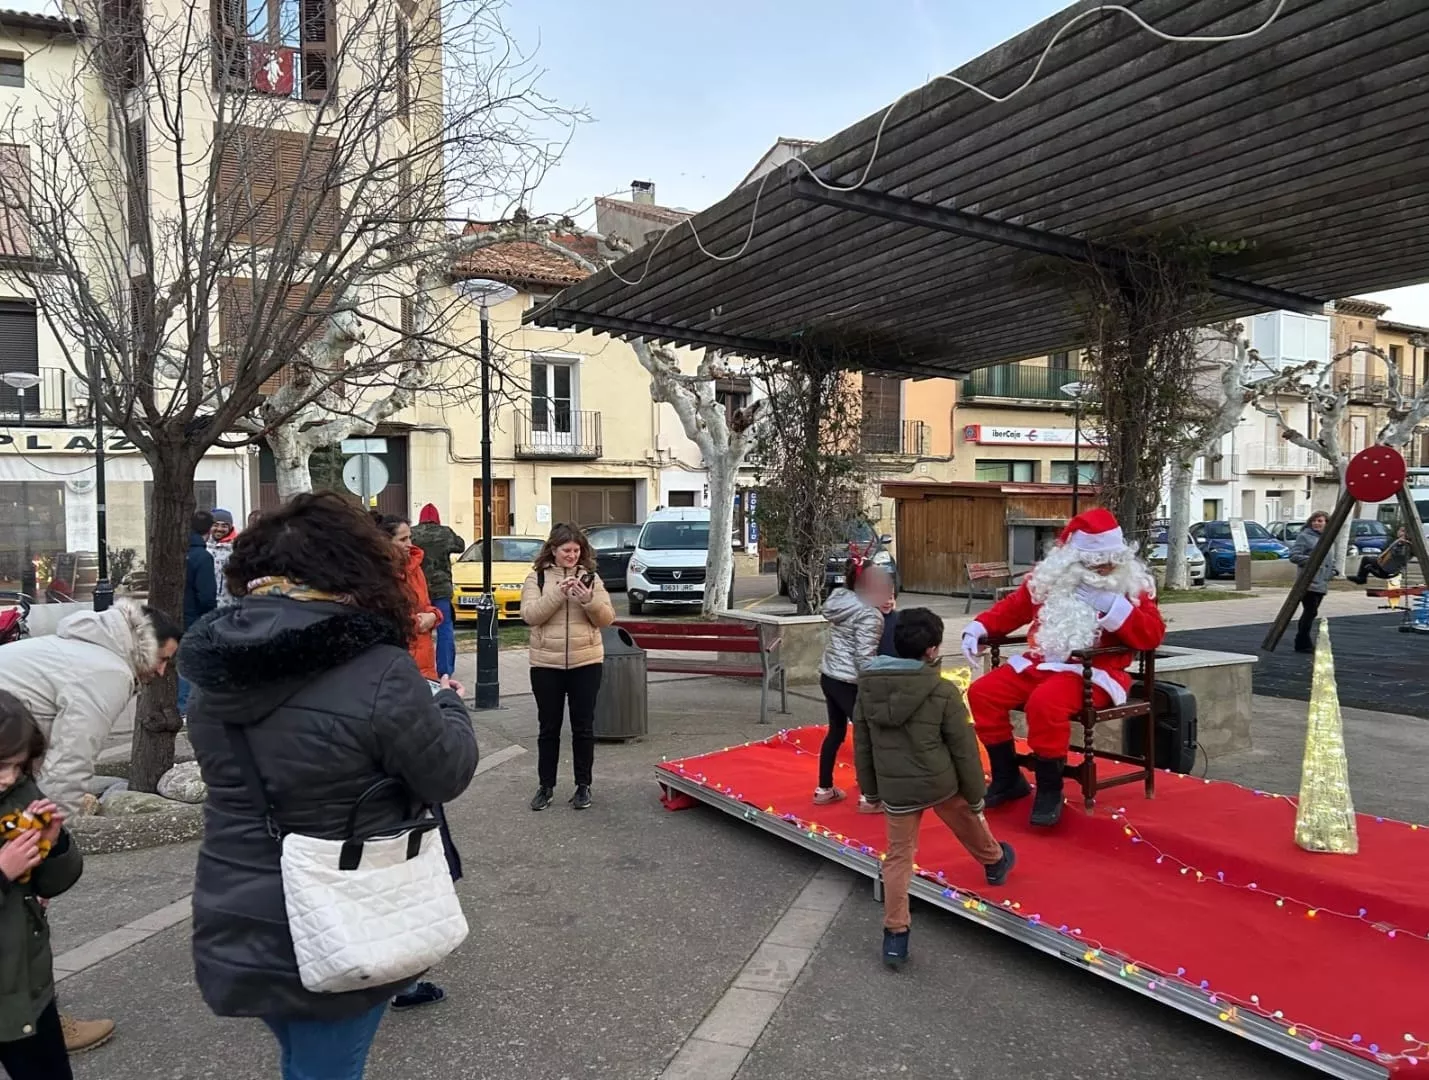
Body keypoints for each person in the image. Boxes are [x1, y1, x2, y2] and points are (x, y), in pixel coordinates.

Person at [180, 492, 479, 1080]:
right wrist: (446, 703)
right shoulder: (376, 667)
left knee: (304, 1057)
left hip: (242, 900)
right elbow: (446, 771)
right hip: (344, 907)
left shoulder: (217, 666)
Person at [0, 600, 180, 1055]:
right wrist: (43, 853)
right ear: (142, 645)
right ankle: (39, 1021)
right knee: (19, 909)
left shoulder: (72, 646)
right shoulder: (108, 671)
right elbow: (67, 766)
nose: (161, 673)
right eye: (162, 659)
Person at [961, 508, 1166, 827]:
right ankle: (1007, 777)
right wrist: (978, 628)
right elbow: (1012, 609)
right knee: (982, 693)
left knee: (1046, 703)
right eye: (1094, 560)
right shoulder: (1051, 579)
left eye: (1110, 559)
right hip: (1043, 663)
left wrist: (1113, 607)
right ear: (1072, 558)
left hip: (1096, 672)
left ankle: (1049, 789)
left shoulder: (1130, 586)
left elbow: (1152, 635)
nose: (1103, 566)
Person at [852, 608, 1015, 969]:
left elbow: (862, 742)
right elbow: (964, 749)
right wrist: (976, 795)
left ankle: (895, 935)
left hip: (896, 788)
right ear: (932, 650)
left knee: (898, 858)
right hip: (939, 780)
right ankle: (994, 860)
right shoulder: (942, 690)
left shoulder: (868, 688)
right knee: (965, 818)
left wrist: (871, 791)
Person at [0, 690, 84, 1080]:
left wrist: (53, 842)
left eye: (18, 766)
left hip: (28, 984)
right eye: (0, 765)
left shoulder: (20, 794)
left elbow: (50, 883)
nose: (9, 778)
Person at [520, 523, 616, 812]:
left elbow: (607, 619)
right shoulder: (536, 578)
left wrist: (588, 602)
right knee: (548, 727)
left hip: (585, 661)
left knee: (583, 727)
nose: (572, 556)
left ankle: (583, 786)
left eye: (576, 551)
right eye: (566, 551)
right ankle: (545, 786)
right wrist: (558, 594)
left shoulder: (591, 578)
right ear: (553, 550)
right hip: (545, 663)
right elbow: (530, 616)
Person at [814, 558, 889, 810]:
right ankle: (870, 796)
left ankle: (824, 788)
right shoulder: (870, 614)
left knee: (835, 732)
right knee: (866, 736)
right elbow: (864, 656)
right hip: (850, 681)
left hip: (830, 675)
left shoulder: (842, 600)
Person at [374, 514, 442, 681]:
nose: (409, 544)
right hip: (398, 661)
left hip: (424, 660)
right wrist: (418, 622)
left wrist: (434, 615)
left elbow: (425, 604)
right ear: (385, 542)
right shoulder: (378, 573)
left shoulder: (414, 566)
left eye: (410, 538)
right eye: (403, 539)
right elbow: (386, 617)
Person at [411, 505, 465, 679]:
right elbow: (461, 545)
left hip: (418, 587)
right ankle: (445, 670)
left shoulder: (413, 533)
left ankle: (418, 666)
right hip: (441, 587)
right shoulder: (445, 533)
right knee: (445, 627)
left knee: (417, 627)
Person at [1289, 510, 1336, 653]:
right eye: (1314, 521)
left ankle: (1302, 640)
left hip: (1321, 581)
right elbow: (1294, 556)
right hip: (1308, 581)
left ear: (1326, 524)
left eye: (1320, 521)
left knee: (1312, 612)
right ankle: (1302, 641)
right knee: (1310, 610)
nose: (1316, 523)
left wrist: (1333, 571)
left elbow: (1329, 559)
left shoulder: (1328, 539)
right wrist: (1312, 561)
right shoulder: (1305, 537)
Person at [208, 509, 238, 608]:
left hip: (229, 604)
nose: (219, 529)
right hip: (206, 604)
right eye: (216, 525)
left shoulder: (237, 548)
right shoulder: (203, 547)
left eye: (224, 526)